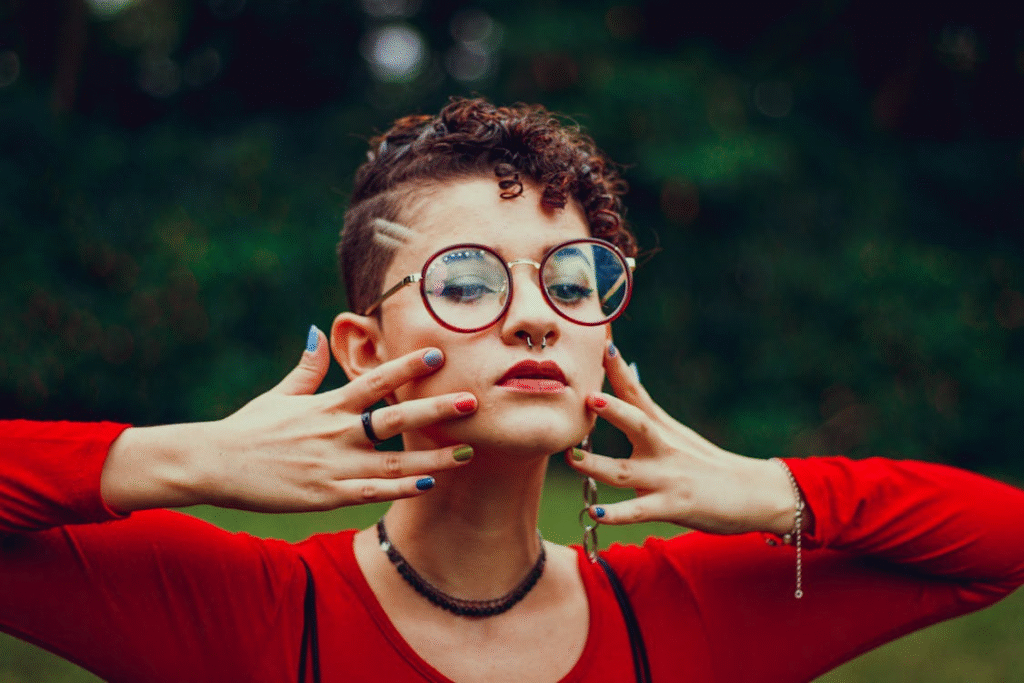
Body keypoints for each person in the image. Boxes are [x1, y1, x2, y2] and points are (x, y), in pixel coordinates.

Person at [2, 97, 1023, 683]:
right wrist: (181, 459)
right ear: (361, 345)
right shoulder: (259, 613)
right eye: (465, 280)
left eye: (573, 280)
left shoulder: (677, 617)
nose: (536, 315)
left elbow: (999, 545)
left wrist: (775, 489)